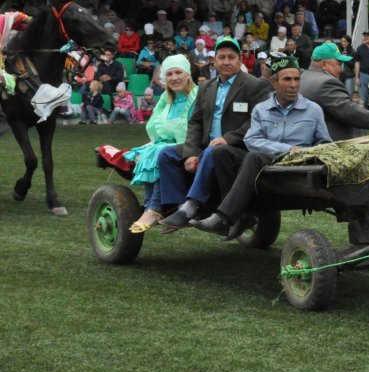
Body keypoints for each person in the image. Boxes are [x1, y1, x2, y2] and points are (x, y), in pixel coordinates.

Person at [192, 55, 332, 239]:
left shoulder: (313, 109)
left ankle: (224, 217)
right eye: (287, 79)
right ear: (274, 83)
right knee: (220, 152)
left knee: (253, 157)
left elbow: (325, 142)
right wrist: (286, 149)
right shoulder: (261, 109)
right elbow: (252, 140)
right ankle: (241, 214)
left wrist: (310, 153)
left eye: (296, 79)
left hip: (295, 164)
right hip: (268, 159)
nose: (293, 84)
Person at [158, 36, 271, 231]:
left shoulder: (255, 85)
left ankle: (192, 205)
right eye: (221, 57)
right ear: (214, 61)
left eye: (231, 57)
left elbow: (257, 121)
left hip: (237, 149)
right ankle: (177, 207)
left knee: (213, 151)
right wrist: (191, 152)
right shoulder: (206, 87)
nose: (226, 62)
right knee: (166, 154)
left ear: (240, 60)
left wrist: (228, 138)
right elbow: (195, 121)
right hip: (207, 145)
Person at [124, 55, 198, 233]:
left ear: (187, 74)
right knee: (151, 150)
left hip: (191, 146)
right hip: (170, 145)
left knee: (161, 152)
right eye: (169, 74)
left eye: (178, 72)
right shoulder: (167, 98)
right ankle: (150, 204)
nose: (174, 78)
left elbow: (196, 130)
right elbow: (157, 127)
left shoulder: (198, 96)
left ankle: (155, 208)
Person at [300, 42, 369, 140]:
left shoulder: (303, 77)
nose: (341, 69)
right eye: (338, 63)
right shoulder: (326, 83)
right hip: (333, 144)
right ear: (324, 63)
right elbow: (349, 111)